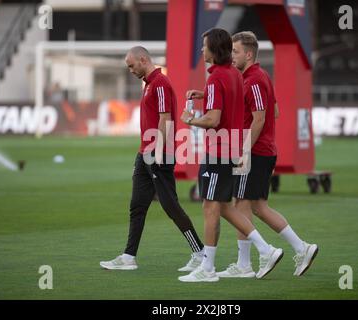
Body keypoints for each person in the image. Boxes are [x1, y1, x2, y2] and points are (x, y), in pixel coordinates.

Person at [178, 28, 283, 282]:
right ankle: (266, 249)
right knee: (225, 206)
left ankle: (208, 268)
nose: (201, 50)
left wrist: (190, 119)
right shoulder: (235, 75)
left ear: (214, 49)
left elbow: (214, 119)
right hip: (231, 149)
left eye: (204, 46)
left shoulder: (215, 78)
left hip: (218, 150)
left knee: (211, 207)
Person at [216, 31, 318, 278]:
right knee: (258, 207)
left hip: (255, 152)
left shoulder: (253, 80)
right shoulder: (257, 78)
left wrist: (244, 149)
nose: (231, 56)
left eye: (236, 52)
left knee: (241, 205)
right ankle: (301, 248)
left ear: (248, 54)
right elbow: (275, 110)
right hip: (261, 150)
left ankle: (245, 264)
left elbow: (262, 117)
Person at [100, 46, 205, 271]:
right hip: (144, 153)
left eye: (131, 65)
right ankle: (129, 257)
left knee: (170, 205)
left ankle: (200, 252)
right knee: (137, 205)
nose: (130, 70)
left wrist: (157, 152)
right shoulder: (149, 84)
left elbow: (166, 119)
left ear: (143, 59)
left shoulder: (160, 84)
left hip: (159, 154)